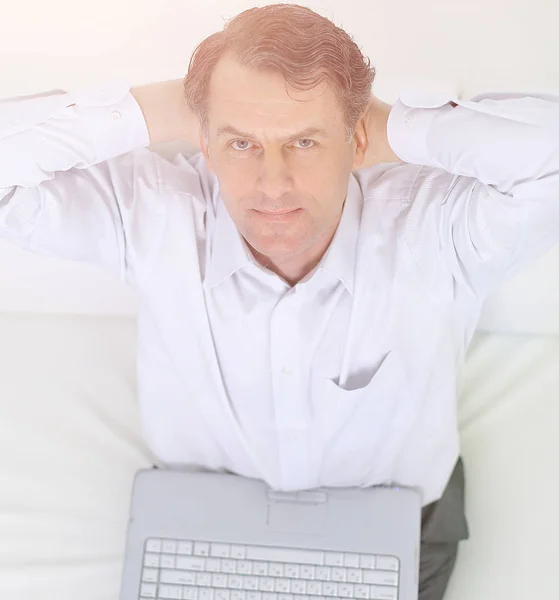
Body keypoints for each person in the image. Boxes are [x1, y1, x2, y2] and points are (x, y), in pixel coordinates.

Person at [1, 3, 559, 599]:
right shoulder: (154, 212)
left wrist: (394, 126)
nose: (273, 184)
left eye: (305, 140)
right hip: (203, 521)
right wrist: (175, 106)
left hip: (395, 526)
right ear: (204, 144)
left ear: (356, 138)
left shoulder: (436, 229)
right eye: (241, 143)